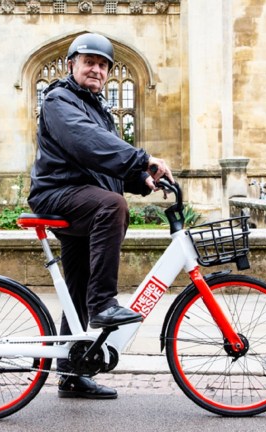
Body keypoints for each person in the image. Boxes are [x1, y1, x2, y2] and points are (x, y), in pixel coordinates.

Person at [28, 33, 173, 399]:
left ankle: (72, 374)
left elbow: (104, 163)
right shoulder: (59, 100)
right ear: (71, 65)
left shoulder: (97, 108)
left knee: (78, 285)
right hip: (57, 194)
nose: (96, 68)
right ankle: (103, 305)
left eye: (103, 64)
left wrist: (143, 180)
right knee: (112, 205)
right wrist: (142, 158)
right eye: (89, 61)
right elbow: (86, 142)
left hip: (79, 196)